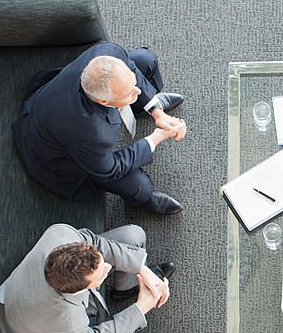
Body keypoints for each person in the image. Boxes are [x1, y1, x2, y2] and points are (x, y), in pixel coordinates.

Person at [12, 43, 188, 214]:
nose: (138, 91)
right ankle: (145, 199)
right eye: (129, 93)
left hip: (55, 99)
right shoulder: (93, 133)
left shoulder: (106, 52)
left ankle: (140, 108)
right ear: (103, 102)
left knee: (146, 59)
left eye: (133, 85)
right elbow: (110, 169)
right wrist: (156, 138)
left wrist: (156, 111)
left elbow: (131, 68)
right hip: (57, 152)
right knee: (139, 186)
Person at [0, 223, 180, 333]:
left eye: (101, 262)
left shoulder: (61, 234)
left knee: (134, 235)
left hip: (35, 295)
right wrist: (142, 306)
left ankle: (124, 289)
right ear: (83, 288)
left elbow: (97, 244)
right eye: (101, 274)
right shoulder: (64, 320)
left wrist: (142, 269)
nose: (107, 267)